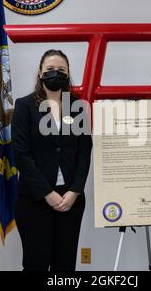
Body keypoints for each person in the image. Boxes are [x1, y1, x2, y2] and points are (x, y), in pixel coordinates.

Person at [11, 49, 92, 271]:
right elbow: (21, 154)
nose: (55, 74)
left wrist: (75, 190)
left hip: (70, 200)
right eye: (49, 70)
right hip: (34, 200)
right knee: (35, 263)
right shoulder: (24, 105)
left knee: (64, 266)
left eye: (61, 70)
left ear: (68, 74)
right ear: (40, 73)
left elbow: (85, 152)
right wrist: (47, 193)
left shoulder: (76, 107)